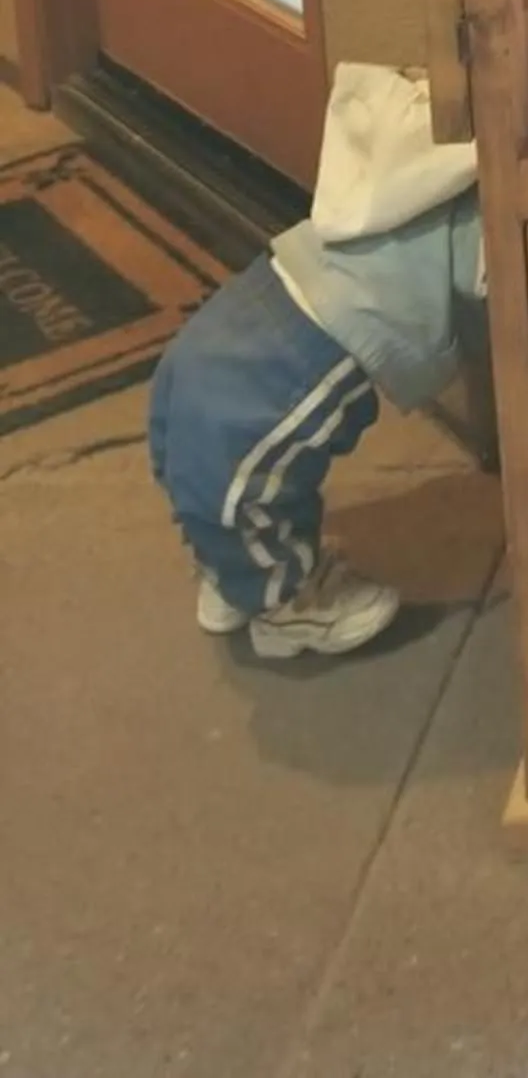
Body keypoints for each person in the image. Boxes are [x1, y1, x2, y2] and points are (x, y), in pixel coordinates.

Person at [148, 91, 483, 660]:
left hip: (257, 304)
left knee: (206, 456)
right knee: (248, 466)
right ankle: (288, 606)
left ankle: (229, 571)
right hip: (302, 353)